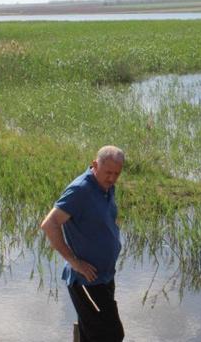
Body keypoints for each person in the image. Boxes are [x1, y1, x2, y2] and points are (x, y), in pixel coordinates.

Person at [40, 145, 126, 342]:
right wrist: (74, 261)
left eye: (116, 173)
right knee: (111, 335)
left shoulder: (106, 187)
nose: (112, 178)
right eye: (108, 173)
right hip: (87, 281)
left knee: (91, 334)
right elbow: (49, 224)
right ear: (95, 165)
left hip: (104, 277)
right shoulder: (80, 190)